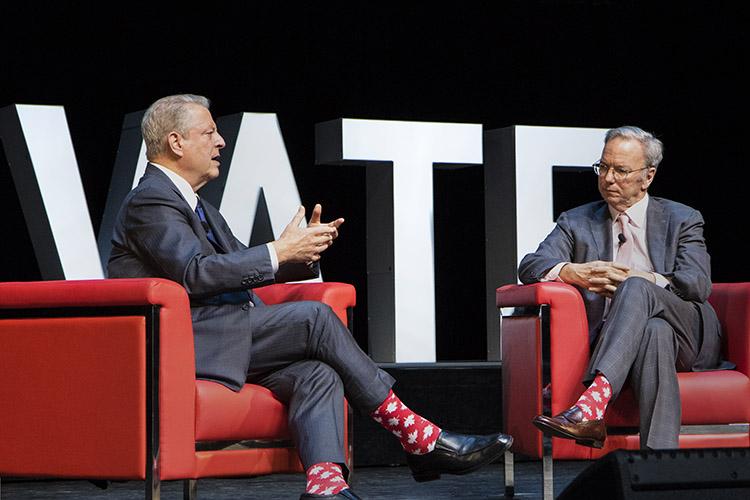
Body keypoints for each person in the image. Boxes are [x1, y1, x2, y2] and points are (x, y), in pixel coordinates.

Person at [107, 94, 512, 499]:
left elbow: (240, 271)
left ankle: (325, 485)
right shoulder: (151, 200)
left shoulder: (200, 208)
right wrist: (276, 252)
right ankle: (414, 434)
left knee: (318, 373)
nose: (221, 142)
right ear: (176, 143)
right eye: (209, 132)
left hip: (226, 337)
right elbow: (195, 273)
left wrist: (297, 252)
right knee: (314, 317)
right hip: (184, 344)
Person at [518, 126, 727, 450]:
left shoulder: (682, 218)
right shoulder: (576, 222)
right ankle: (658, 465)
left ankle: (593, 402)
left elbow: (698, 284)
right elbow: (529, 266)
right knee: (655, 332)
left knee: (636, 286)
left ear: (648, 176)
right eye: (603, 167)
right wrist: (573, 271)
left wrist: (644, 278)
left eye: (621, 170)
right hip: (637, 338)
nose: (608, 178)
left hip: (688, 332)